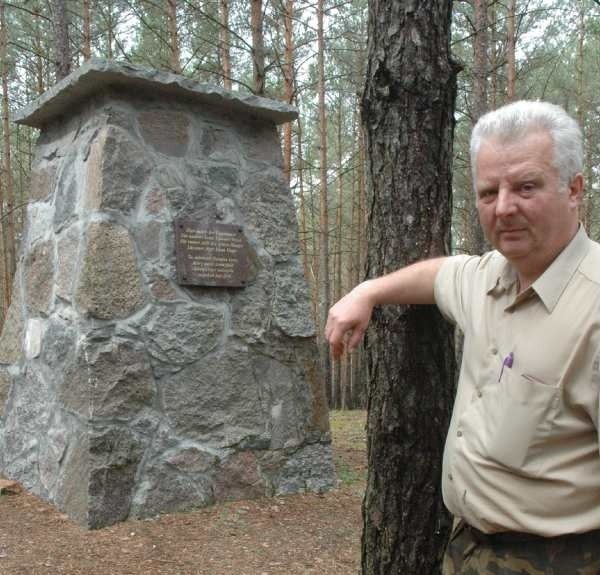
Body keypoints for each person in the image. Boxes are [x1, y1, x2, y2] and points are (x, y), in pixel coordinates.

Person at [325, 100, 600, 574]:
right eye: (489, 192)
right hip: (465, 549)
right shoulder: (492, 278)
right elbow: (440, 275)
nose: (505, 207)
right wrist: (367, 292)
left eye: (526, 187)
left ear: (573, 189)